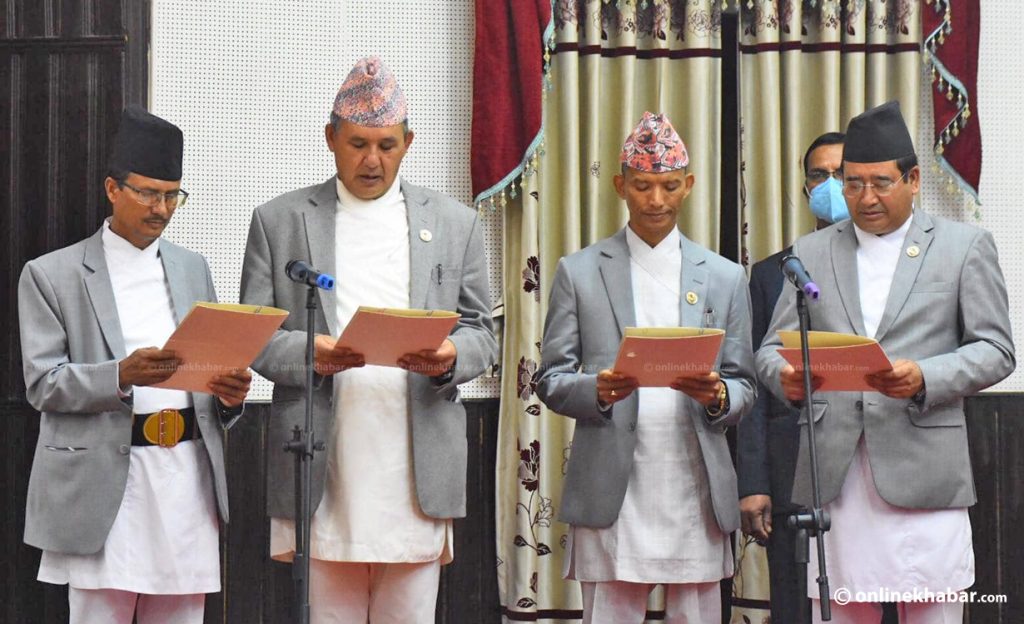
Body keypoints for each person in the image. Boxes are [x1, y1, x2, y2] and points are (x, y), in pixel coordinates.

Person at [240, 56, 496, 623]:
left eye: (386, 144)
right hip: (320, 461)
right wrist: (314, 354)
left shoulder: (456, 224)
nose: (372, 160)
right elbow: (254, 338)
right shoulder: (279, 221)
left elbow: (483, 331)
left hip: (415, 461)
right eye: (357, 143)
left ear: (409, 141)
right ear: (330, 138)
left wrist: (451, 355)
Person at [756, 100, 1015, 623]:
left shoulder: (963, 247)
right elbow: (767, 350)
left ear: (913, 179)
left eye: (880, 183)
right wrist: (783, 377)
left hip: (925, 474)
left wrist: (927, 376)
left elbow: (997, 350)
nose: (865, 198)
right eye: (852, 184)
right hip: (839, 477)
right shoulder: (812, 250)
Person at [17, 105, 252, 623]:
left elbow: (208, 379)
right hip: (103, 486)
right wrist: (121, 375)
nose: (161, 208)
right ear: (112, 189)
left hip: (184, 479)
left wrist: (229, 396)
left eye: (172, 195)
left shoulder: (193, 268)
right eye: (147, 192)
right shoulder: (51, 274)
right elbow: (43, 383)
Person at [536, 112, 756, 623]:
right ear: (620, 186)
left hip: (692, 480)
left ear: (688, 186)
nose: (655, 200)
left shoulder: (724, 277)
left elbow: (744, 382)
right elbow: (550, 378)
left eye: (668, 185)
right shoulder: (581, 271)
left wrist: (718, 396)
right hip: (614, 481)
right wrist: (599, 390)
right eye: (642, 186)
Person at [736, 131, 846, 623]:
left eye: (842, 174)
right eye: (819, 176)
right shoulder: (770, 274)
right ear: (805, 191)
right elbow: (754, 384)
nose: (832, 185)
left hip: (872, 475)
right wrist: (755, 481)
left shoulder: (890, 270)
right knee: (793, 605)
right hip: (790, 475)